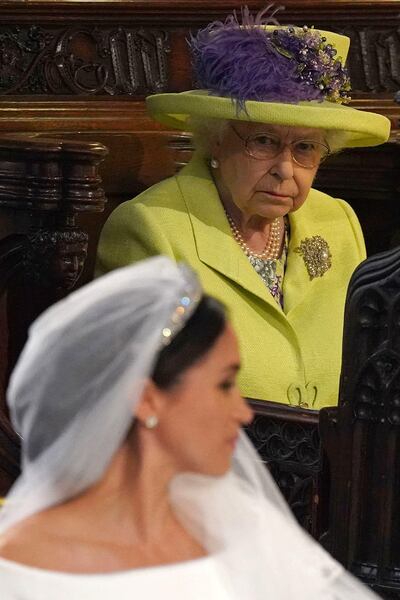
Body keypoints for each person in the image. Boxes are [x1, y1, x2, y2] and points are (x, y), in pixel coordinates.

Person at [0, 256, 378, 598]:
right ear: (146, 398)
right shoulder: (20, 568)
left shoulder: (235, 524)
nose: (244, 414)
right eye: (224, 385)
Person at [96, 7, 391, 410]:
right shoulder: (150, 229)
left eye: (305, 148)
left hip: (335, 466)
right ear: (215, 140)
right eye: (264, 142)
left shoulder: (337, 221)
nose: (285, 169)